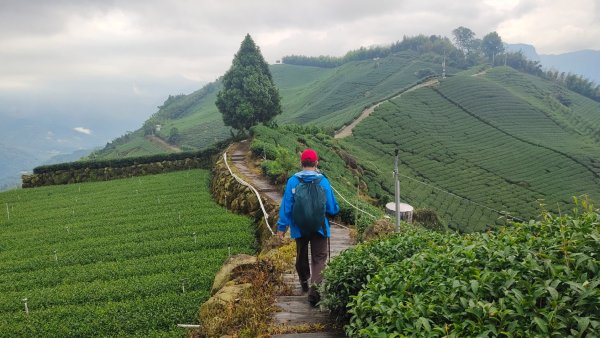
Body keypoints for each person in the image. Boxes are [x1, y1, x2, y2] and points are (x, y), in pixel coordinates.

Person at [277, 148, 340, 306]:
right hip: (320, 227)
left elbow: (287, 206)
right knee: (319, 259)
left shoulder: (293, 181)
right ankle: (314, 292)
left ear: (301, 163)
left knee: (301, 256)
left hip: (299, 226)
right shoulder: (323, 181)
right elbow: (332, 208)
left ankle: (304, 282)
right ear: (316, 163)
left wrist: (281, 227)